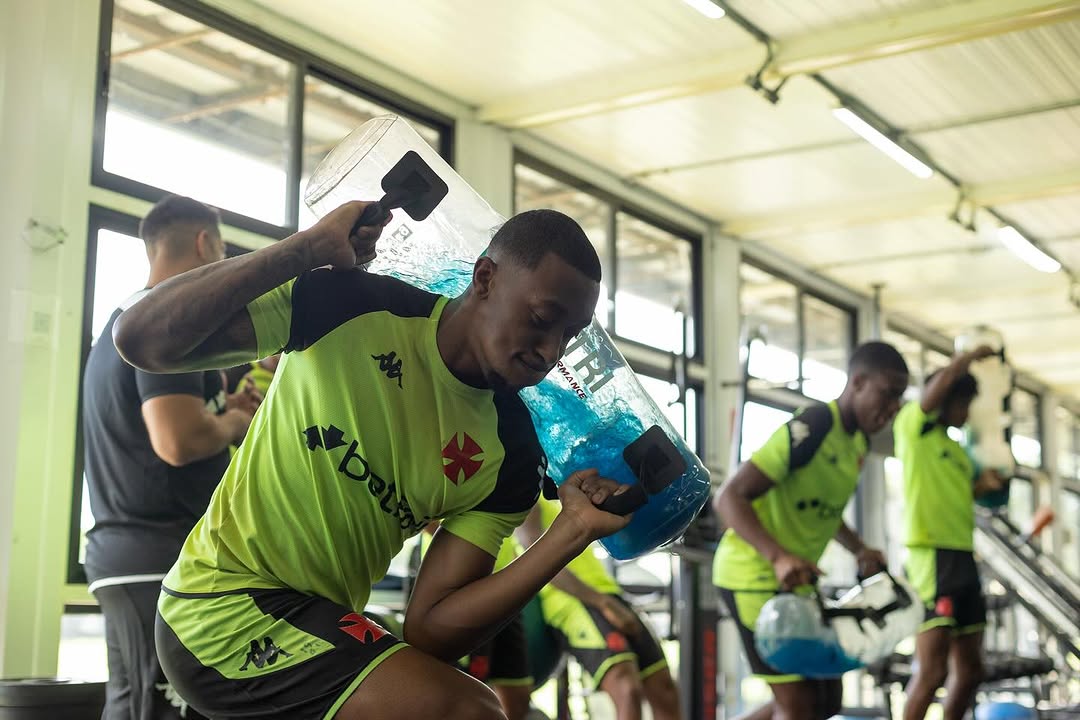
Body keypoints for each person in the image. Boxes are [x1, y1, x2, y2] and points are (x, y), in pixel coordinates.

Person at [113, 202, 632, 720]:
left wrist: (570, 532)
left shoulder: (512, 454)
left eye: (569, 336)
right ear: (485, 278)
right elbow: (140, 338)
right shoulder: (350, 304)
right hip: (219, 606)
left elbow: (431, 629)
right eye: (541, 320)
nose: (549, 351)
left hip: (317, 624)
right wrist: (305, 249)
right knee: (472, 712)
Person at [82, 195, 260, 720]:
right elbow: (176, 442)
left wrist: (219, 404)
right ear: (206, 243)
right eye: (224, 249)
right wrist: (233, 423)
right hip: (154, 554)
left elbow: (164, 424)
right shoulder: (169, 320)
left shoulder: (130, 318)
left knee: (137, 704)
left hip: (131, 554)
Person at [712, 341, 909, 720]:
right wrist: (779, 556)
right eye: (887, 394)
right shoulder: (814, 425)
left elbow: (825, 509)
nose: (893, 408)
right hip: (751, 575)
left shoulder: (857, 444)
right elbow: (729, 498)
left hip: (795, 581)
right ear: (858, 382)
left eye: (899, 399)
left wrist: (859, 548)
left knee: (826, 699)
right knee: (799, 705)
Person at [895, 346, 1004, 720]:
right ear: (945, 398)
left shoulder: (957, 452)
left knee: (972, 671)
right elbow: (934, 392)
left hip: (962, 556)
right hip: (931, 557)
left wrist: (981, 487)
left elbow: (953, 496)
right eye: (962, 403)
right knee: (933, 671)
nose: (966, 412)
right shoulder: (914, 429)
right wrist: (969, 355)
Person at [517, 497, 682, 720]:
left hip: (607, 592)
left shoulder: (561, 495)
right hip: (572, 602)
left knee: (665, 690)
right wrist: (602, 603)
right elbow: (535, 559)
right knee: (627, 688)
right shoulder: (529, 497)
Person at [417, 525, 535, 720]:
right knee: (464, 695)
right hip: (459, 584)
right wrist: (468, 552)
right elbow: (427, 519)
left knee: (517, 695)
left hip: (504, 584)